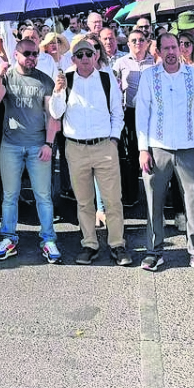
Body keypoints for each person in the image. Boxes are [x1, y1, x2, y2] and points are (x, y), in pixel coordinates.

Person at [134, 32, 194, 274]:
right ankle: (154, 252)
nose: (171, 52)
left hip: (189, 147)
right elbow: (142, 114)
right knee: (153, 201)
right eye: (166, 48)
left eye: (174, 47)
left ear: (181, 49)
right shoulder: (149, 76)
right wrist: (142, 149)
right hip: (157, 148)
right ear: (158, 51)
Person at [50, 35, 129, 266]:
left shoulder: (106, 79)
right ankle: (89, 244)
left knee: (113, 200)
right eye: (80, 55)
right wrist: (57, 91)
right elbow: (56, 113)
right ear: (73, 58)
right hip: (76, 148)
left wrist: (113, 140)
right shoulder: (67, 79)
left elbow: (117, 112)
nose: (85, 58)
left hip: (104, 146)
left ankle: (117, 244)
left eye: (89, 54)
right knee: (84, 201)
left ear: (96, 56)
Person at [0, 38, 62, 264]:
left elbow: (53, 115)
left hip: (37, 144)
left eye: (35, 54)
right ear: (16, 55)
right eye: (27, 53)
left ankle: (48, 238)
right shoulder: (9, 76)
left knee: (43, 196)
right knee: (9, 196)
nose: (32, 58)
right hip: (10, 145)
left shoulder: (45, 80)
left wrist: (49, 144)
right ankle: (8, 237)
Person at [114, 28, 156, 208]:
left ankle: (154, 194)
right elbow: (115, 86)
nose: (137, 43)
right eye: (133, 40)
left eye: (141, 40)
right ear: (128, 43)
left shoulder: (155, 63)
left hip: (152, 113)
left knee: (152, 153)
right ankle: (131, 194)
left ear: (147, 42)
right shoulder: (120, 62)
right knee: (131, 154)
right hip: (130, 113)